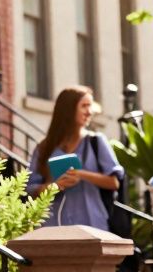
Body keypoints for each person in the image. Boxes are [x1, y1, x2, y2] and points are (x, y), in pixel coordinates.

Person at [26, 86, 124, 229]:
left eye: (90, 106)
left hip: (93, 226)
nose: (89, 112)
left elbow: (114, 182)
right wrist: (55, 186)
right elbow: (29, 188)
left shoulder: (96, 141)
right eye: (84, 106)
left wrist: (80, 174)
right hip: (52, 227)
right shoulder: (44, 147)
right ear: (68, 109)